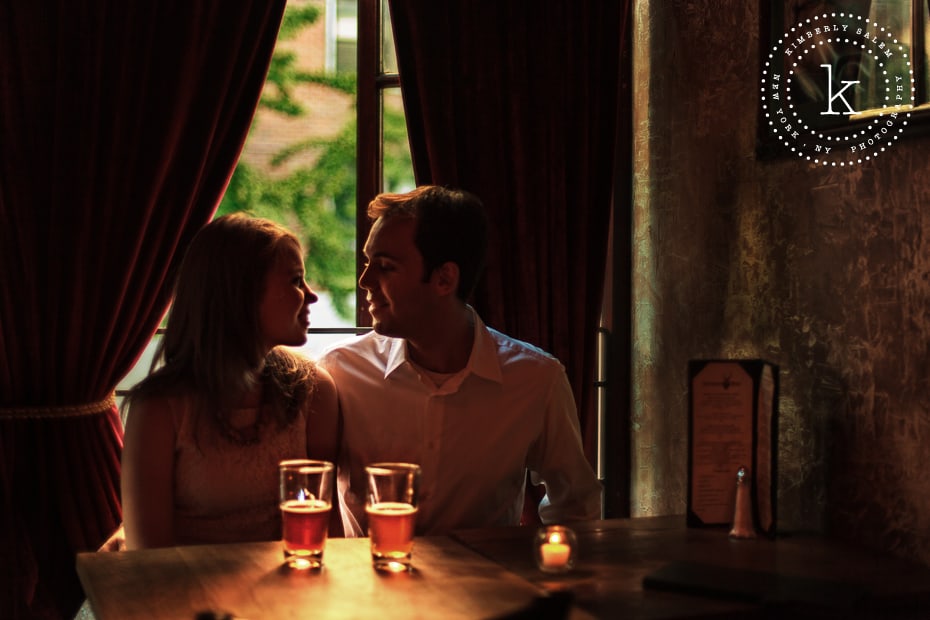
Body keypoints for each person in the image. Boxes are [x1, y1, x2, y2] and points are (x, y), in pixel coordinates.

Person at [320, 185, 602, 536]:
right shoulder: (340, 372)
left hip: (485, 589)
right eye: (367, 264)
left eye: (385, 267)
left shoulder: (535, 380)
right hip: (366, 586)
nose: (365, 281)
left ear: (444, 279)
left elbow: (576, 508)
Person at [121, 213, 341, 549]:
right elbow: (148, 558)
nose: (311, 296)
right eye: (297, 280)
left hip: (290, 592)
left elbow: (329, 537)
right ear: (241, 293)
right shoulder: (159, 410)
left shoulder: (312, 391)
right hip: (186, 594)